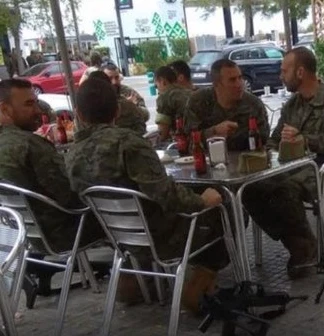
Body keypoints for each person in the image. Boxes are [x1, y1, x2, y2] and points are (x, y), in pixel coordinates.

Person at [65, 77, 228, 312]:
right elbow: (166, 194)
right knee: (225, 207)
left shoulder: (72, 155)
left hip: (120, 240)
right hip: (162, 238)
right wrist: (203, 200)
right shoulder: (129, 144)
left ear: (78, 114)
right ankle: (198, 286)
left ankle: (137, 283)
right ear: (118, 110)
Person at [243, 47, 324, 279]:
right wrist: (274, 147)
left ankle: (303, 249)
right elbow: (274, 140)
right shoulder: (292, 105)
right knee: (250, 189)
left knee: (284, 191)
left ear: (301, 72)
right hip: (290, 167)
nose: (281, 76)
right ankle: (299, 243)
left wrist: (306, 141)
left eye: (285, 71)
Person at [0, 79, 103, 252]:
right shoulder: (30, 145)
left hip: (24, 236)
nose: (38, 111)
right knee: (128, 219)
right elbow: (69, 195)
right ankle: (136, 276)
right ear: (4, 109)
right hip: (62, 234)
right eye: (29, 104)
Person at [185, 59, 269, 150]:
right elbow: (188, 140)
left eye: (240, 78)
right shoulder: (198, 101)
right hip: (208, 159)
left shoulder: (253, 104)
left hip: (245, 158)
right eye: (232, 80)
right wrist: (214, 131)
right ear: (217, 84)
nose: (239, 84)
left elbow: (264, 139)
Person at [86, 70, 148, 136]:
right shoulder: (85, 105)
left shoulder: (127, 92)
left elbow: (145, 116)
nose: (114, 82)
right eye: (110, 78)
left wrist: (133, 107)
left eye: (116, 77)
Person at [154, 66, 193, 141]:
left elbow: (162, 133)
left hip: (186, 140)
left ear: (162, 81)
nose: (157, 90)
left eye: (156, 86)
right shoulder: (188, 91)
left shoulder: (165, 97)